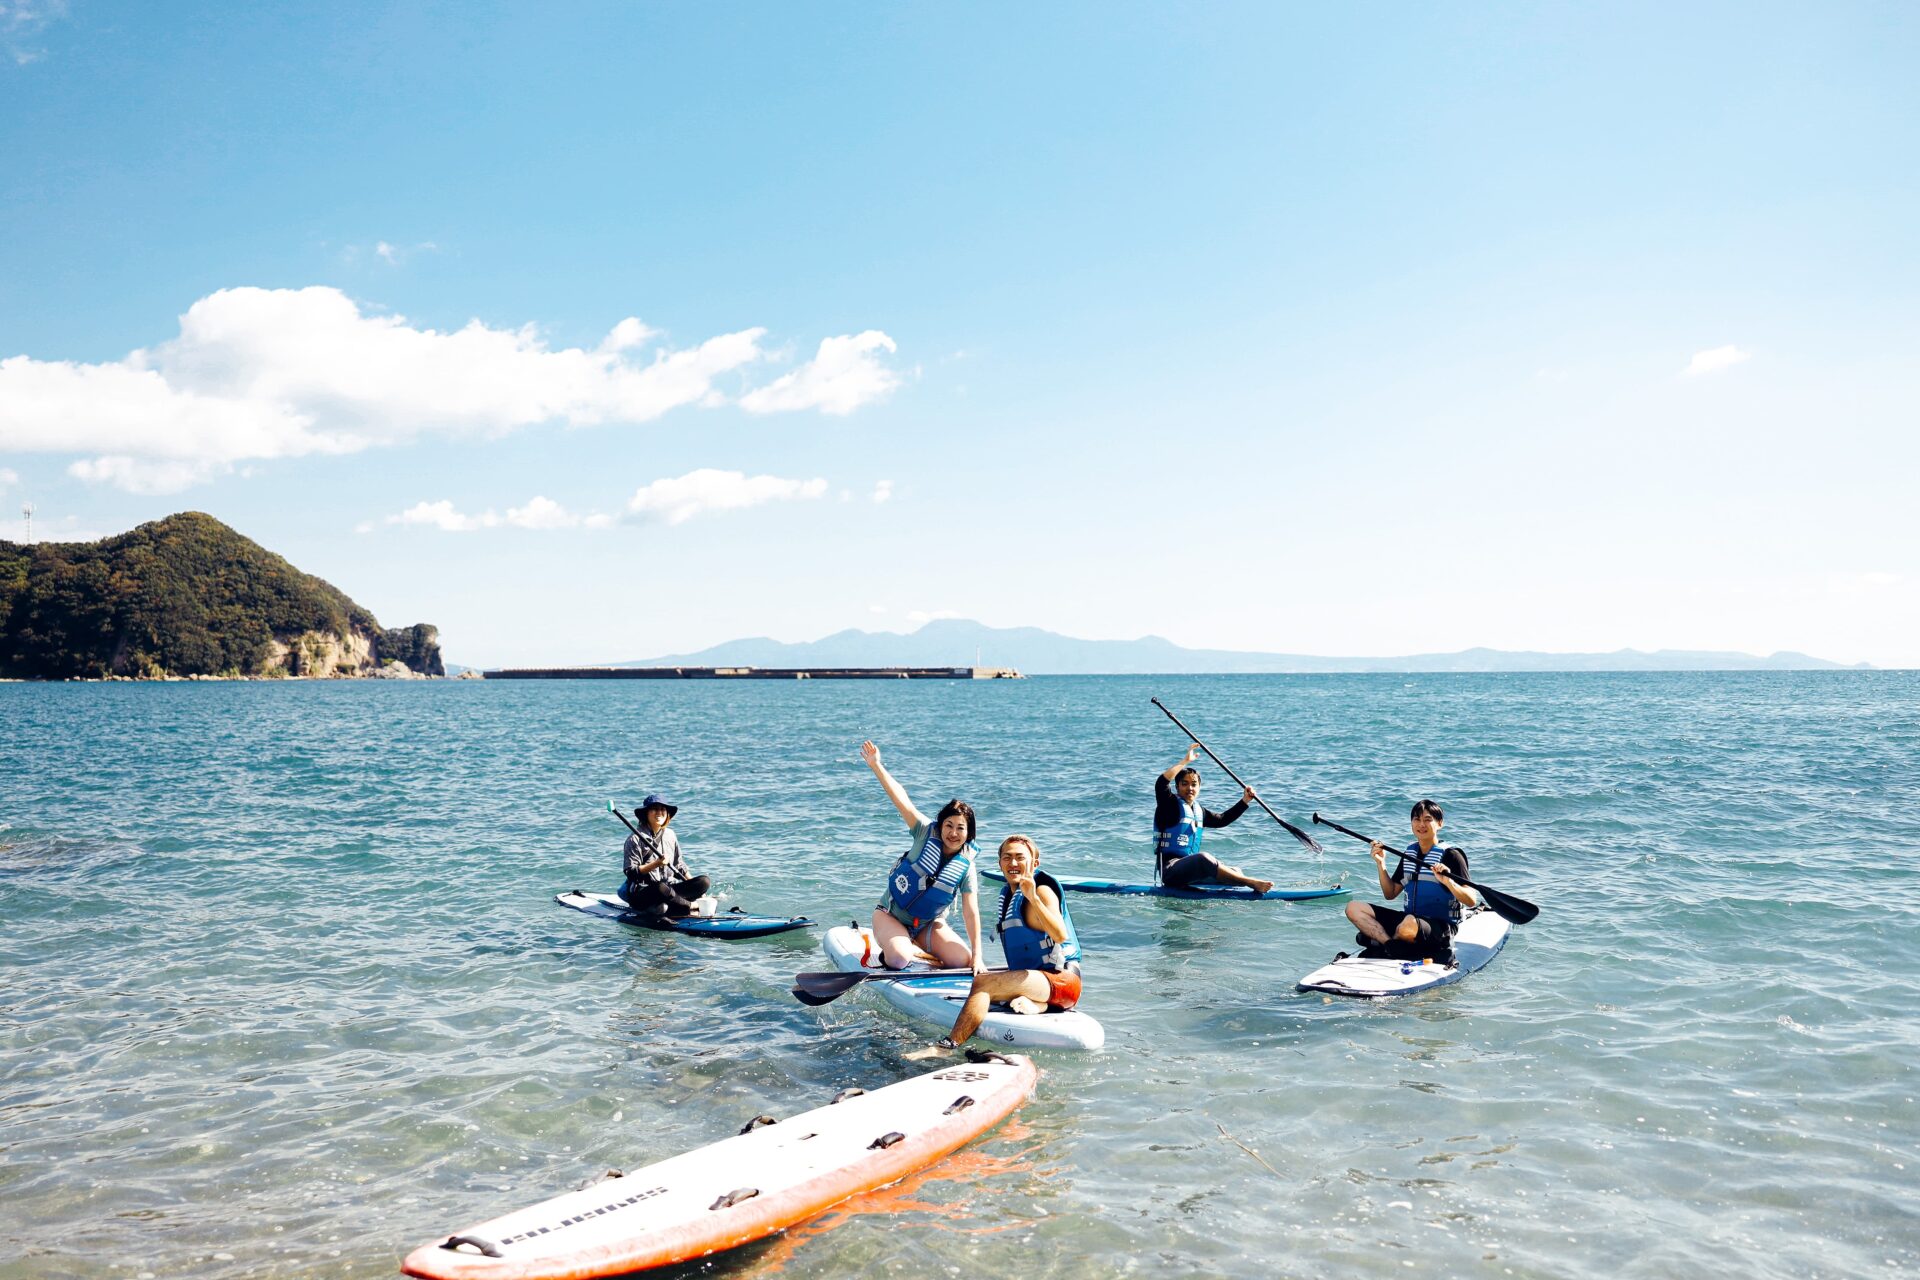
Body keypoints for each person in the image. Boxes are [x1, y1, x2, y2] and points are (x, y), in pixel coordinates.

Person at [912, 834, 1083, 1057]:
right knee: (987, 980)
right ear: (1000, 863)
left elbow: (1059, 934)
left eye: (1020, 857)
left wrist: (1034, 898)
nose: (1013, 863)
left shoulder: (1041, 891)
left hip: (1062, 981)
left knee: (983, 985)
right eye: (1007, 857)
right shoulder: (1010, 894)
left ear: (1035, 863)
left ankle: (947, 1047)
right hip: (1037, 980)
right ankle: (1039, 1004)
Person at [861, 740, 985, 973]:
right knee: (899, 959)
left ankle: (913, 945)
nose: (953, 833)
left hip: (928, 925)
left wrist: (978, 957)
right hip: (890, 916)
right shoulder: (923, 831)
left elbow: (971, 912)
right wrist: (876, 765)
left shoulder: (966, 867)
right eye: (949, 825)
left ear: (969, 834)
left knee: (961, 960)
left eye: (961, 828)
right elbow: (901, 798)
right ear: (940, 825)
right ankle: (895, 949)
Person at [1344, 799, 1480, 961]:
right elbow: (1390, 893)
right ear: (1411, 823)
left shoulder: (1452, 856)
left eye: (1428, 820)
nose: (1421, 824)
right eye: (1417, 819)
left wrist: (1447, 881)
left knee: (1407, 924)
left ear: (1440, 823)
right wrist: (1381, 864)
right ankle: (1389, 944)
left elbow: (1471, 900)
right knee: (1353, 908)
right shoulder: (1409, 854)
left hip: (1441, 927)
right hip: (1409, 922)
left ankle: (1380, 941)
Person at [1153, 744, 1273, 893]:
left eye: (1194, 784)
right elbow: (1161, 783)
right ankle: (1250, 882)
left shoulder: (1198, 811)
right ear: (1177, 787)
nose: (1190, 788)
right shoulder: (1168, 805)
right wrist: (1185, 761)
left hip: (1190, 872)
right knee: (1203, 858)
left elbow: (1222, 820)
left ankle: (1242, 882)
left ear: (1199, 788)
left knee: (1235, 870)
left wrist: (1245, 801)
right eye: (1184, 784)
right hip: (1170, 871)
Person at [621, 794, 712, 917]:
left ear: (667, 814)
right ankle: (689, 906)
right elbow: (631, 872)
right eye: (654, 809)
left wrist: (694, 886)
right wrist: (656, 864)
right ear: (646, 813)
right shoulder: (634, 839)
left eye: (662, 809)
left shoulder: (670, 835)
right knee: (660, 888)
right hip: (645, 893)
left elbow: (678, 865)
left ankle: (674, 904)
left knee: (704, 882)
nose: (659, 813)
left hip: (669, 888)